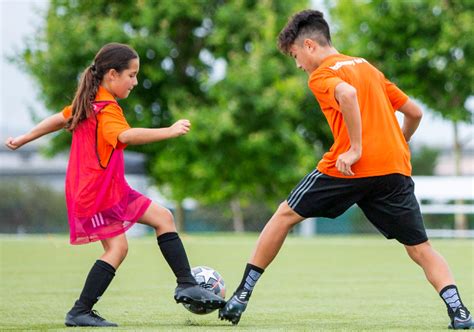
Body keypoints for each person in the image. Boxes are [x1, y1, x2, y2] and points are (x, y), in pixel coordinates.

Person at [218, 10, 473, 330]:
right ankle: (459, 311)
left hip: (349, 169)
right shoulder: (366, 66)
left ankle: (242, 295)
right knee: (420, 249)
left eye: (296, 56)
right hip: (394, 168)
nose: (298, 65)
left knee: (283, 216)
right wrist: (399, 143)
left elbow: (347, 94)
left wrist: (355, 148)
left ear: (309, 45)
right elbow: (415, 112)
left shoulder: (322, 75)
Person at [5, 43, 225, 327]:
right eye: (131, 75)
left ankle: (186, 283)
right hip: (96, 194)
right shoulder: (105, 108)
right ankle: (80, 311)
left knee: (163, 217)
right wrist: (168, 131)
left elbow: (60, 119)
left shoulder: (90, 101)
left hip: (110, 189)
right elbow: (125, 137)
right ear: (112, 74)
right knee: (117, 249)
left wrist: (25, 137)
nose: (135, 82)